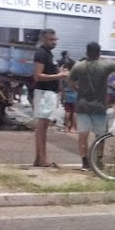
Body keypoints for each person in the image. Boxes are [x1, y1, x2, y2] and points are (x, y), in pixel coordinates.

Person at [69, 42, 115, 170]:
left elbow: (71, 82)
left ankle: (85, 162)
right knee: (101, 136)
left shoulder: (78, 66)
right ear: (99, 53)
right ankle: (98, 161)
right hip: (99, 106)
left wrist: (79, 91)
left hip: (82, 105)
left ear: (86, 52)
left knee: (83, 135)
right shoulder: (104, 66)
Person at [33, 29, 69, 167]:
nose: (54, 42)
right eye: (51, 40)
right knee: (42, 128)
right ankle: (42, 160)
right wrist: (58, 76)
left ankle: (39, 159)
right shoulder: (41, 53)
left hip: (49, 93)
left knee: (44, 127)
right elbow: (38, 75)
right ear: (43, 39)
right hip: (44, 93)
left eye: (55, 40)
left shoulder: (49, 54)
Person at [60, 59, 78, 132]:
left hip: (66, 94)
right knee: (75, 112)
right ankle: (73, 127)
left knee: (67, 111)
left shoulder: (64, 74)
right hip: (75, 94)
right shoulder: (76, 75)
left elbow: (61, 86)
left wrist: (62, 95)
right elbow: (77, 85)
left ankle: (66, 127)